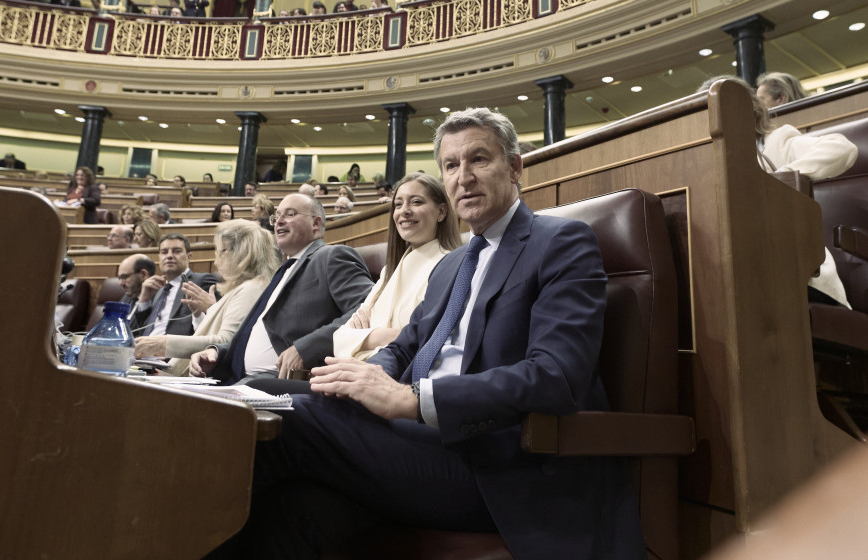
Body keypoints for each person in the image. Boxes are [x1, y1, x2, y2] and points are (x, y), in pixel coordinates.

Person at [214, 108, 645, 559]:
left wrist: (413, 399)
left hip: (497, 461)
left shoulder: (559, 242)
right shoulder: (452, 265)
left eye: (479, 159)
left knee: (288, 420)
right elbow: (402, 346)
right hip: (418, 444)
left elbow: (556, 376)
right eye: (452, 165)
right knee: (275, 454)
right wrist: (368, 383)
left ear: (515, 168)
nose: (465, 177)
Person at [700, 76, 857, 307]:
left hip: (799, 274)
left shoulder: (777, 140)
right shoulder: (705, 164)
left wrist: (777, 179)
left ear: (750, 109)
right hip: (740, 271)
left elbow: (842, 148)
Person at [187, 193, 373, 384]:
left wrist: (305, 348)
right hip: (238, 377)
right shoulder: (282, 272)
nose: (279, 222)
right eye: (276, 217)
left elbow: (367, 309)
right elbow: (254, 335)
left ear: (316, 224)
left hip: (289, 379)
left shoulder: (331, 256)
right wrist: (216, 352)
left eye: (290, 214)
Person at [333, 172, 461, 361]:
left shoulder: (451, 267)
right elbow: (340, 339)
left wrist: (367, 336)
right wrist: (387, 335)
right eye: (398, 204)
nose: (404, 211)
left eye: (416, 202)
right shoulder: (388, 272)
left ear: (441, 212)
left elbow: (425, 342)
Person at [134, 220, 280, 374]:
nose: (216, 262)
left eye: (220, 252)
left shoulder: (251, 288)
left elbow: (225, 342)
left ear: (240, 253)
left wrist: (163, 344)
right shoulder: (246, 287)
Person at [130, 233, 218, 339]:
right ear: (159, 258)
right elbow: (137, 330)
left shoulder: (201, 281)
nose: (169, 256)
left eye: (177, 251)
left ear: (188, 257)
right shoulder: (157, 289)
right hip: (143, 350)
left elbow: (215, 324)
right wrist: (143, 301)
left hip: (174, 352)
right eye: (164, 252)